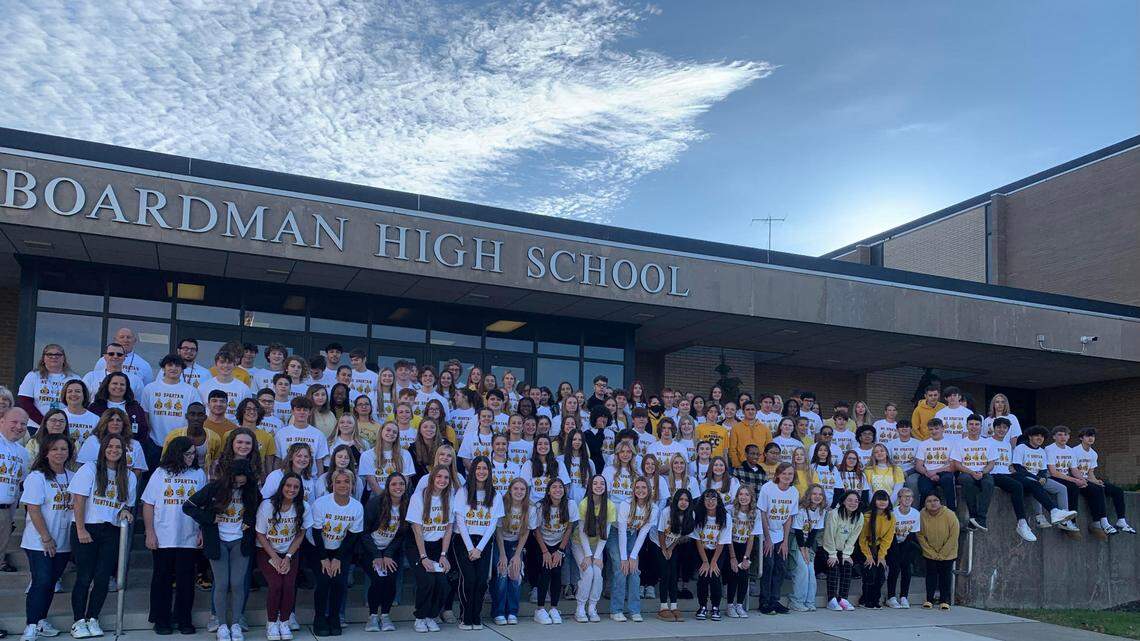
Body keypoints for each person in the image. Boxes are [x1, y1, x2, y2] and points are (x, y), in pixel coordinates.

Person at [69, 433, 137, 639]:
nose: (114, 450)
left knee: (102, 578)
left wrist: (125, 511)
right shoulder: (90, 469)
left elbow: (125, 504)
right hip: (87, 528)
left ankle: (93, 617)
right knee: (84, 577)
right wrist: (81, 529)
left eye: (118, 447)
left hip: (112, 531)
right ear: (103, 448)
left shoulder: (129, 476)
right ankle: (78, 621)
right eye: (110, 446)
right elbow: (79, 500)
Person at [183, 459, 259, 641]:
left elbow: (260, 509)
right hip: (218, 541)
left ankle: (236, 623)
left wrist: (249, 520)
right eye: (236, 482)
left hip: (240, 540)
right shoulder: (214, 488)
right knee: (222, 583)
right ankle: (222, 624)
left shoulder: (251, 490)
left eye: (242, 483)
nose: (239, 485)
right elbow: (188, 506)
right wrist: (209, 518)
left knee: (238, 583)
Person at [142, 436, 207, 635]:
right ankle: (161, 620)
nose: (191, 457)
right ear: (176, 453)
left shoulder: (198, 474)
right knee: (161, 579)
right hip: (163, 536)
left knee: (186, 581)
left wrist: (202, 530)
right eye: (187, 454)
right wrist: (149, 532)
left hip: (189, 536)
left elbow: (204, 505)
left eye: (193, 454)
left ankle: (184, 619)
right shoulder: (160, 473)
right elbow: (148, 504)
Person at [20, 434, 74, 641]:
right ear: (45, 452)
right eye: (54, 449)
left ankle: (41, 621)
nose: (59, 453)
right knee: (41, 580)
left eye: (63, 449)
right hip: (39, 541)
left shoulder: (72, 476)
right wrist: (46, 537)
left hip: (63, 541)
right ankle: (31, 626)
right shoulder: (37, 477)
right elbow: (33, 509)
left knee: (51, 582)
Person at [309, 470, 364, 636]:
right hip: (319, 548)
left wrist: (338, 558)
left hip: (342, 549)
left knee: (339, 583)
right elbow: (316, 532)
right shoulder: (320, 504)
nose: (342, 485)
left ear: (352, 485)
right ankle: (319, 618)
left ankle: (334, 617)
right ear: (332, 484)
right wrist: (324, 558)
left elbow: (352, 536)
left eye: (346, 481)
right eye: (338, 481)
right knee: (323, 582)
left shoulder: (356, 507)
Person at [453, 457, 503, 630]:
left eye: (485, 468)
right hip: (463, 540)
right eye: (478, 468)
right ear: (473, 470)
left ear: (489, 472)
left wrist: (479, 548)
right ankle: (465, 617)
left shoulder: (495, 495)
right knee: (469, 579)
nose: (481, 471)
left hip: (484, 542)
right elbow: (460, 521)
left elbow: (493, 523)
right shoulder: (463, 491)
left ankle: (476, 616)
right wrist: (470, 548)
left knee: (481, 581)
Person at [406, 465, 455, 633]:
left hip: (437, 546)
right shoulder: (418, 497)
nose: (442, 480)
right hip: (418, 546)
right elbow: (416, 530)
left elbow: (448, 529)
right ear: (432, 478)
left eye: (446, 477)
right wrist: (423, 557)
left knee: (443, 584)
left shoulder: (449, 497)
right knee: (427, 581)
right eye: (439, 476)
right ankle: (420, 617)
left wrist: (443, 554)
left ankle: (431, 616)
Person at [362, 473, 407, 633]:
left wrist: (388, 554)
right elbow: (364, 532)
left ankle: (386, 615)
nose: (398, 487)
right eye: (394, 484)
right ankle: (373, 616)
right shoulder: (375, 503)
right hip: (370, 549)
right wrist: (377, 556)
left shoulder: (406, 505)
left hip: (391, 550)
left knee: (390, 580)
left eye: (401, 484)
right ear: (388, 486)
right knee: (378, 580)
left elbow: (402, 534)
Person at [1011, 426, 1078, 533]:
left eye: (1042, 436)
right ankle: (1039, 516)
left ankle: (1063, 519)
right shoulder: (1021, 448)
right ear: (1030, 436)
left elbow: (1043, 469)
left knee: (1062, 488)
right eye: (1036, 435)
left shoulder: (1042, 451)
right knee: (1036, 484)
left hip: (1039, 477)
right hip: (1025, 477)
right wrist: (1037, 478)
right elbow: (1018, 467)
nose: (1040, 438)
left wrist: (1042, 477)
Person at [141, 355, 202, 470]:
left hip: (180, 444)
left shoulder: (191, 391)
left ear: (182, 369)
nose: (173, 368)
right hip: (155, 444)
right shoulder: (150, 388)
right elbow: (145, 414)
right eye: (169, 365)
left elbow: (196, 417)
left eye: (177, 365)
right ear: (163, 368)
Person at [608, 477, 655, 622]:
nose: (640, 490)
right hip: (615, 533)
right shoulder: (625, 504)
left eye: (644, 487)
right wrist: (624, 558)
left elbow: (643, 533)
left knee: (634, 570)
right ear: (633, 490)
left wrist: (633, 557)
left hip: (632, 534)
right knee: (621, 568)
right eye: (637, 487)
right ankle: (616, 610)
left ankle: (634, 610)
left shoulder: (653, 508)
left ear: (649, 490)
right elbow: (621, 531)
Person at [531, 478, 576, 625]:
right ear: (548, 491)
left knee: (557, 572)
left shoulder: (570, 504)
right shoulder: (540, 506)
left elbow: (569, 528)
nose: (558, 490)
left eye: (560, 487)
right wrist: (545, 552)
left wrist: (560, 551)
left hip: (559, 544)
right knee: (545, 571)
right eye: (554, 487)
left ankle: (554, 608)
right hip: (542, 543)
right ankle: (540, 609)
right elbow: (536, 530)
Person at [1073, 428, 1135, 534]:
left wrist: (1096, 481)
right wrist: (1092, 482)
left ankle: (1121, 521)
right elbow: (1072, 471)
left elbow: (1090, 473)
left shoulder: (1093, 454)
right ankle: (1104, 522)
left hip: (1088, 480)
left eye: (1092, 436)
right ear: (1081, 438)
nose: (1091, 438)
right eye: (1088, 436)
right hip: (1077, 481)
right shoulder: (1074, 451)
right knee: (1098, 489)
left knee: (1117, 491)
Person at [757, 463, 798, 615]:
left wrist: (785, 541)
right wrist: (767, 539)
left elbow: (789, 518)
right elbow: (762, 513)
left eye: (790, 474)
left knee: (781, 567)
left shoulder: (794, 492)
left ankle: (775, 600)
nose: (787, 476)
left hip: (780, 534)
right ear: (778, 475)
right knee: (768, 565)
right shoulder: (767, 488)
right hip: (765, 532)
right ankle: (764, 601)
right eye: (784, 473)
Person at [491, 478, 530, 626]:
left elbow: (525, 532)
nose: (519, 492)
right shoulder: (502, 504)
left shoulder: (529, 508)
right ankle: (499, 612)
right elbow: (498, 530)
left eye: (522, 489)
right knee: (502, 574)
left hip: (516, 544)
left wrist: (517, 555)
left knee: (515, 574)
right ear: (510, 490)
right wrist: (502, 554)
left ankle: (512, 611)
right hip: (500, 543)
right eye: (516, 489)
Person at [655, 488, 694, 621]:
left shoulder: (691, 514)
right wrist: (664, 549)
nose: (683, 502)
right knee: (665, 573)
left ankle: (674, 606)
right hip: (659, 543)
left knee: (674, 574)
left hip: (673, 544)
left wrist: (671, 548)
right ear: (676, 500)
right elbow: (660, 531)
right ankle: (663, 607)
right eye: (681, 499)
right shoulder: (667, 511)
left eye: (686, 500)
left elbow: (682, 535)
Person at [0, 407, 31, 574]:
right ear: (2, 421)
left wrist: (11, 515)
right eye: (14, 422)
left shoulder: (23, 453)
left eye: (23, 424)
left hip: (6, 511)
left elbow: (19, 484)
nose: (19, 427)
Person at [690, 489, 729, 621]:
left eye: (713, 499)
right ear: (703, 501)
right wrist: (706, 561)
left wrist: (713, 562)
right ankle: (702, 606)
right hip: (702, 550)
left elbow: (722, 541)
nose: (710, 501)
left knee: (714, 575)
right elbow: (697, 539)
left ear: (718, 501)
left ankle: (715, 607)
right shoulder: (697, 515)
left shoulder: (725, 517)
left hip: (718, 551)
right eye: (707, 498)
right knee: (703, 575)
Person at [822, 489, 864, 612]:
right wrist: (832, 554)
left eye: (856, 501)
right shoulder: (834, 514)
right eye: (849, 500)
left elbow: (853, 538)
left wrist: (846, 554)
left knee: (847, 566)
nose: (853, 503)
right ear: (844, 501)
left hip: (843, 549)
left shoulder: (859, 516)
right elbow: (828, 535)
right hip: (828, 548)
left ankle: (842, 598)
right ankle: (831, 600)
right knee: (834, 566)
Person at [18, 344, 77, 429]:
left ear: (64, 358)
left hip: (63, 427)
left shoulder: (74, 378)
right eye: (49, 354)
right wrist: (44, 422)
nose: (54, 357)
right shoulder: (33, 376)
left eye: (58, 354)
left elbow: (79, 404)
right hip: (36, 427)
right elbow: (25, 402)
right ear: (43, 358)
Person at [952, 414, 994, 530]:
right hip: (966, 472)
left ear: (981, 426)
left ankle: (981, 519)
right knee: (967, 481)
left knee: (989, 483)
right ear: (966, 426)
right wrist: (971, 472)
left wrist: (982, 472)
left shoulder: (988, 443)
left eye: (977, 424)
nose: (974, 427)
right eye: (971, 424)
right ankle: (973, 516)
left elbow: (991, 463)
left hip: (983, 472)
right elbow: (957, 464)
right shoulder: (959, 443)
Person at [788, 483, 826, 612]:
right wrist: (803, 551)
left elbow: (814, 532)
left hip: (808, 544)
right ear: (809, 495)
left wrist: (808, 549)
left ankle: (809, 601)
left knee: (811, 570)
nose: (817, 496)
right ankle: (796, 601)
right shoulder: (801, 509)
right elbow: (798, 532)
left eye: (820, 494)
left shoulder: (821, 511)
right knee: (802, 569)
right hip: (796, 542)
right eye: (814, 493)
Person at [917, 492, 959, 610]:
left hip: (948, 553)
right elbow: (919, 534)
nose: (933, 503)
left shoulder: (949, 514)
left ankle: (944, 601)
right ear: (925, 504)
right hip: (930, 552)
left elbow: (954, 535)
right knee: (931, 575)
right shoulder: (921, 515)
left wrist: (942, 553)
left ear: (940, 502)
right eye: (929, 501)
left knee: (945, 576)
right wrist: (931, 552)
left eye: (935, 500)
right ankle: (929, 600)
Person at [856, 490, 894, 609]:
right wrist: (868, 556)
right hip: (865, 547)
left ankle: (876, 599)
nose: (882, 502)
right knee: (870, 570)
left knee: (880, 573)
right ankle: (865, 600)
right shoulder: (866, 516)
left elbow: (888, 539)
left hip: (880, 548)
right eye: (879, 499)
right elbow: (862, 539)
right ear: (874, 501)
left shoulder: (891, 517)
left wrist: (881, 556)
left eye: (885, 500)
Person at [724, 485, 757, 618]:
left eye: (747, 494)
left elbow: (751, 538)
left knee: (744, 575)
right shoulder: (730, 511)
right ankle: (730, 605)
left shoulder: (755, 513)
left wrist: (746, 558)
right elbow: (728, 535)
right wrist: (733, 557)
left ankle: (739, 605)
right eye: (741, 494)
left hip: (745, 548)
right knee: (733, 574)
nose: (743, 497)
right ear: (737, 496)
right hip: (731, 546)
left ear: (751, 497)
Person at [162, 402, 223, 473]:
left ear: (205, 417)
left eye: (200, 415)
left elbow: (215, 462)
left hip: (204, 476)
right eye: (192, 414)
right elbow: (164, 460)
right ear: (186, 416)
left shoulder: (214, 438)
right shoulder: (173, 436)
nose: (196, 418)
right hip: (178, 475)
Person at [886, 487, 920, 608]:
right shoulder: (892, 513)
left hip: (907, 542)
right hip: (892, 542)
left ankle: (904, 596)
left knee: (907, 568)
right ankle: (891, 597)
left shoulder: (916, 513)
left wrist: (905, 551)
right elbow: (890, 534)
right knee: (894, 568)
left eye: (910, 496)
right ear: (899, 499)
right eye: (905, 496)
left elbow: (913, 534)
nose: (908, 499)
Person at [914, 419, 956, 510]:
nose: (934, 431)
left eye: (936, 429)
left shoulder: (951, 444)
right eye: (931, 429)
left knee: (948, 481)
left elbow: (953, 467)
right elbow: (918, 465)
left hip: (945, 471)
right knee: (924, 489)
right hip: (927, 472)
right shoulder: (923, 444)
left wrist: (935, 471)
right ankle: (923, 513)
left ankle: (952, 511)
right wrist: (928, 474)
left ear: (942, 429)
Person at [200, 350, 251, 424]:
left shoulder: (244, 389)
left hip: (234, 429)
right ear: (216, 364)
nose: (226, 366)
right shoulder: (204, 387)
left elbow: (246, 413)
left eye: (229, 362)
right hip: (208, 428)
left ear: (234, 365)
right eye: (222, 362)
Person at [728, 401, 772, 468]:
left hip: (761, 466)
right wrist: (737, 465)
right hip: (742, 466)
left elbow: (769, 449)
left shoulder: (765, 429)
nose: (750, 412)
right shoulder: (735, 428)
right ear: (743, 412)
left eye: (753, 409)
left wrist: (765, 465)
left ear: (756, 411)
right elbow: (732, 449)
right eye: (747, 409)